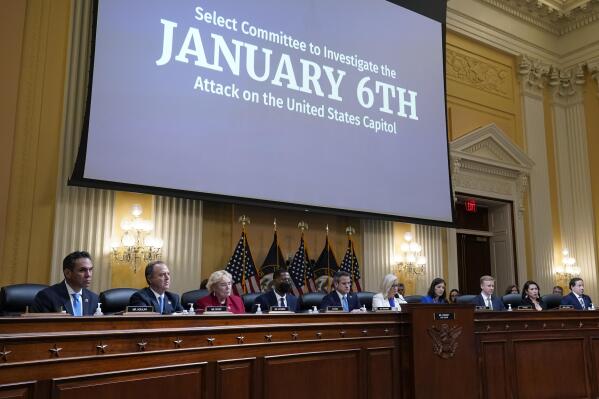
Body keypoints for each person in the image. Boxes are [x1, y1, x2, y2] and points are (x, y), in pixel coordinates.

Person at [32, 251, 99, 316]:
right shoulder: (46, 297)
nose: (88, 275)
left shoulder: (94, 299)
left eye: (90, 269)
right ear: (67, 273)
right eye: (82, 270)